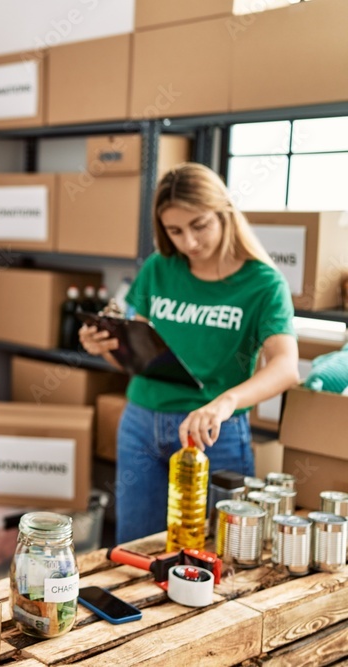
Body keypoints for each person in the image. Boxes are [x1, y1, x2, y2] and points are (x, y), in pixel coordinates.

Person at [78, 162, 299, 544]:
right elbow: (140, 356)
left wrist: (225, 403)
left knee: (218, 552)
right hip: (140, 426)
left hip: (215, 430)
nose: (189, 242)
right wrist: (105, 348)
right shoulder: (159, 268)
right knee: (137, 549)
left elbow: (285, 366)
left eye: (200, 226)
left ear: (224, 214)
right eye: (175, 231)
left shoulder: (263, 284)